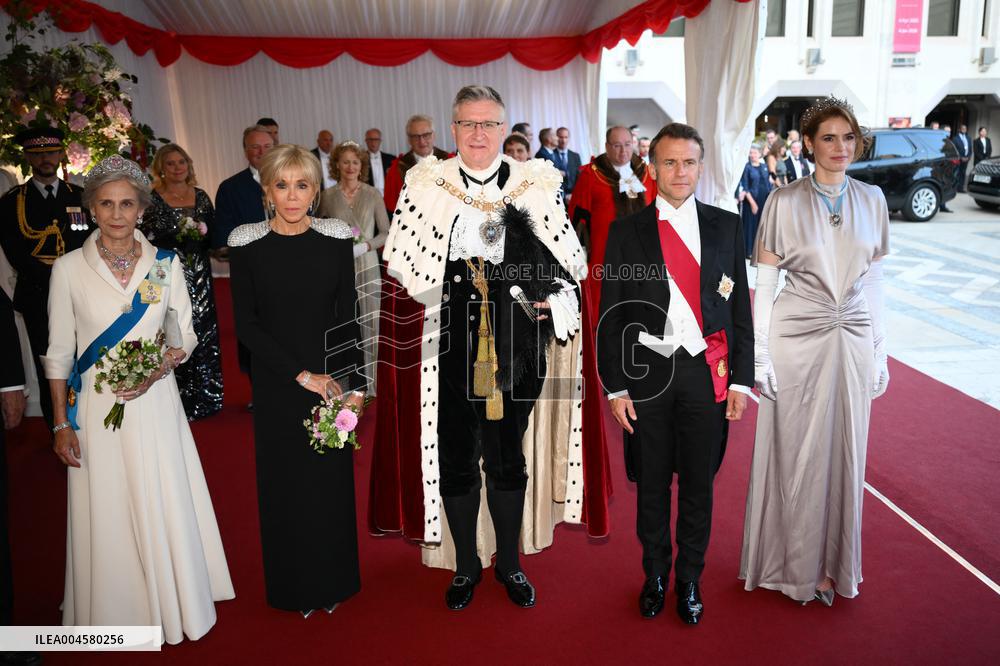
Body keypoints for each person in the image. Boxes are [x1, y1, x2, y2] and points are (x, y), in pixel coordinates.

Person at [381, 85, 586, 611]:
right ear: (453, 131)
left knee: (505, 455)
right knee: (455, 453)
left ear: (504, 128)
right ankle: (467, 566)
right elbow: (404, 265)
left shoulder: (535, 183)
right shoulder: (427, 182)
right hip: (447, 340)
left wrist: (553, 298)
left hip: (515, 343)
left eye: (489, 124)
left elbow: (568, 263)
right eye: (468, 124)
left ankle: (510, 564)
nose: (478, 134)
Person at [44, 155, 234, 643]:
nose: (116, 213)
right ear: (91, 208)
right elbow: (59, 353)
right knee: (106, 500)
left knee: (161, 490)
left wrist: (159, 367)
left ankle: (176, 596)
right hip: (95, 407)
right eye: (105, 203)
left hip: (154, 400)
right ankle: (116, 607)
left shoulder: (164, 265)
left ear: (142, 209)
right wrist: (61, 424)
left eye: (127, 203)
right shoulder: (67, 269)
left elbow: (186, 336)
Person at [598, 122, 752, 625]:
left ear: (701, 167)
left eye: (689, 162)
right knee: (652, 483)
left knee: (699, 485)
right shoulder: (626, 232)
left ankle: (689, 577)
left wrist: (740, 380)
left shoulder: (727, 226)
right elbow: (612, 313)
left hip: (707, 374)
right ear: (653, 168)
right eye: (669, 162)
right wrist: (616, 385)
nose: (680, 171)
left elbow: (740, 313)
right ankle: (655, 575)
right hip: (647, 377)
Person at [740, 97, 890, 607]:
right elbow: (764, 279)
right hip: (795, 331)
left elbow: (874, 279)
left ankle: (832, 567)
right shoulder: (784, 200)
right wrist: (760, 355)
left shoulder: (873, 199)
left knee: (848, 449)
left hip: (852, 332)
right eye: (829, 137)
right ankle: (791, 566)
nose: (841, 147)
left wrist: (880, 349)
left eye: (849, 138)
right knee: (795, 452)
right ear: (808, 143)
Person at [228, 145, 366, 616]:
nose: (292, 196)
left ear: (315, 191)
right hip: (278, 380)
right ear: (267, 190)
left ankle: (334, 581)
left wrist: (356, 383)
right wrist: (299, 375)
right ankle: (294, 587)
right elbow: (246, 325)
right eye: (281, 185)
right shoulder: (246, 244)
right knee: (287, 485)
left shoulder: (334, 239)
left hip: (331, 381)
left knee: (328, 483)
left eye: (302, 185)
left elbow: (348, 315)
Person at [0, 128, 91, 428]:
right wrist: (56, 277)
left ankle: (88, 422)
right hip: (38, 295)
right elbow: (15, 252)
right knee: (50, 364)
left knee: (85, 358)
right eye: (37, 154)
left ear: (61, 154)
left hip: (79, 293)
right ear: (28, 157)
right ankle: (59, 427)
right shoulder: (12, 202)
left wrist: (71, 278)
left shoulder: (78, 197)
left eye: (50, 153)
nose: (45, 159)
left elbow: (86, 243)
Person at [141, 143, 224, 420]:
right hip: (164, 271)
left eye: (181, 162)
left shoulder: (200, 196)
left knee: (203, 327)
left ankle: (207, 395)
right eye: (171, 164)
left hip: (199, 268)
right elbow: (146, 239)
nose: (177, 168)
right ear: (161, 169)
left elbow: (214, 235)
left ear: (188, 165)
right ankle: (176, 398)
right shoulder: (152, 199)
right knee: (171, 327)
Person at [317, 141, 389, 395]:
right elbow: (318, 229)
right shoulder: (327, 196)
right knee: (344, 325)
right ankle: (347, 382)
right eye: (345, 161)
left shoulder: (373, 194)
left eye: (355, 162)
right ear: (336, 164)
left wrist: (366, 246)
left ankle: (372, 384)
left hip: (368, 265)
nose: (350, 166)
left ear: (362, 166)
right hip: (339, 269)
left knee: (371, 322)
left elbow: (386, 233)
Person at [568, 126, 655, 313]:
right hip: (604, 254)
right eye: (617, 145)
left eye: (627, 144)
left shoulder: (646, 173)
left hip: (641, 254)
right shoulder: (591, 175)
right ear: (607, 146)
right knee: (605, 306)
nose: (623, 151)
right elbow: (576, 218)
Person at [213, 125, 275, 251]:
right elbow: (224, 234)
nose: (262, 152)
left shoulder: (292, 182)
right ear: (245, 152)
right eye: (255, 147)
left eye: (267, 146)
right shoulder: (229, 188)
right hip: (250, 261)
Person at [383, 114, 451, 212]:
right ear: (409, 140)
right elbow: (391, 206)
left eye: (426, 135)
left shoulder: (449, 162)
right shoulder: (397, 169)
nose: (422, 141)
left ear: (433, 135)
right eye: (415, 137)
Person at [737, 144, 771, 258]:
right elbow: (745, 187)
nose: (752, 155)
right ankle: (749, 251)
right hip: (751, 199)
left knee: (761, 226)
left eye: (755, 153)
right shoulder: (747, 167)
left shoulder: (764, 166)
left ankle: (759, 251)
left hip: (763, 199)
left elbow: (767, 184)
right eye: (751, 153)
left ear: (760, 154)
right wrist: (752, 203)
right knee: (750, 226)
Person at [363, 128, 395, 196]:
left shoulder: (391, 159)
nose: (373, 142)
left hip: (388, 198)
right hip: (368, 197)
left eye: (376, 140)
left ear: (380, 141)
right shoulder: (361, 159)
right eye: (370, 139)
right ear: (366, 141)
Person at [555, 127, 582, 196]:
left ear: (569, 138)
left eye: (566, 137)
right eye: (561, 137)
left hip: (573, 197)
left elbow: (579, 178)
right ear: (556, 137)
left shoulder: (575, 156)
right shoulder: (550, 155)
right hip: (557, 198)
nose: (563, 140)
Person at [954, 124, 971, 192]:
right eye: (962, 128)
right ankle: (955, 188)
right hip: (958, 159)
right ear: (959, 129)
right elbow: (955, 150)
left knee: (963, 173)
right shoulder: (955, 138)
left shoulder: (968, 138)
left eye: (965, 129)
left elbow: (970, 149)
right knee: (957, 173)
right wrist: (961, 157)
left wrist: (968, 157)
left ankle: (961, 188)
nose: (964, 130)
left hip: (966, 159)